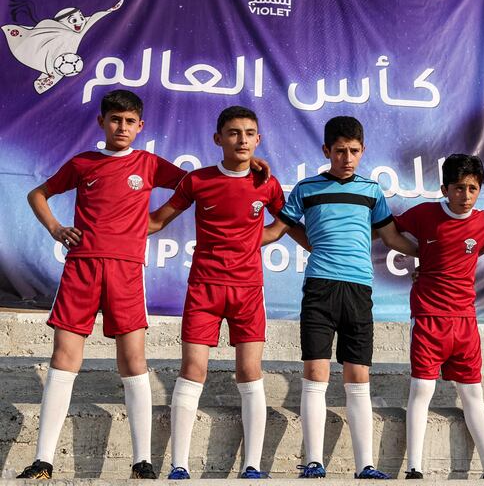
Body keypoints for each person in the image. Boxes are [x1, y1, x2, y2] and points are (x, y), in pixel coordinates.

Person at [19, 90, 186, 480]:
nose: (122, 127)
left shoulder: (149, 164)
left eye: (130, 121)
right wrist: (56, 228)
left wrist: (157, 220)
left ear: (140, 126)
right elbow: (37, 193)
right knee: (64, 358)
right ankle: (44, 460)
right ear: (102, 122)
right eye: (115, 120)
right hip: (81, 268)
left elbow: (195, 186)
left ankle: (141, 461)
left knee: (133, 361)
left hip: (126, 270)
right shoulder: (83, 163)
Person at [147, 106, 306, 479]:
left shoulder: (266, 183)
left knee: (250, 371)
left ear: (259, 139)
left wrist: (301, 243)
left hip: (248, 291)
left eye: (249, 133)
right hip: (204, 288)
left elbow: (288, 222)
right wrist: (108, 232)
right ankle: (179, 466)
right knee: (193, 369)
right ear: (218, 139)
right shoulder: (197, 180)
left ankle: (252, 466)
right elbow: (156, 220)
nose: (242, 139)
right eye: (234, 133)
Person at [263, 116, 418, 479]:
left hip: (359, 290)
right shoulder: (306, 189)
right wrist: (233, 239)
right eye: (339, 151)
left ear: (363, 151)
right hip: (320, 287)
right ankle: (313, 461)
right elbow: (277, 231)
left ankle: (366, 465)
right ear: (326, 151)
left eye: (353, 151)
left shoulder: (372, 192)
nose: (347, 158)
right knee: (315, 372)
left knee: (358, 375)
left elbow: (393, 238)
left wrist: (432, 255)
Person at [395, 154, 484, 480]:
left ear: (480, 190)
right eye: (459, 188)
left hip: (465, 322)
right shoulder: (423, 214)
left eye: (472, 188)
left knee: (473, 394)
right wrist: (415, 260)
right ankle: (414, 468)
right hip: (428, 316)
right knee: (421, 389)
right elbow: (388, 232)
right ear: (444, 188)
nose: (465, 195)